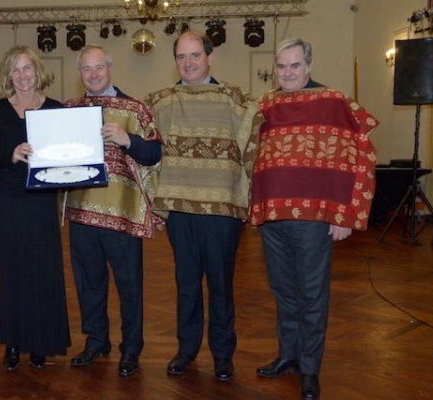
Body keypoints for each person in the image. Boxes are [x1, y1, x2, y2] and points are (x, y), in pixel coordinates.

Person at [250, 38, 378, 400]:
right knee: (284, 292)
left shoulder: (334, 101)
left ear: (308, 65)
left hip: (314, 217)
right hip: (273, 214)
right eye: (281, 67)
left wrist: (345, 214)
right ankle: (287, 356)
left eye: (294, 66)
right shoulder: (267, 105)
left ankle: (309, 368)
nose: (287, 73)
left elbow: (361, 154)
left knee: (311, 294)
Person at [144, 30, 262, 382]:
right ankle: (186, 349)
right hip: (180, 209)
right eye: (181, 57)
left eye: (195, 55)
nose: (189, 63)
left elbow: (258, 141)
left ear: (210, 58)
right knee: (186, 284)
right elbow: (144, 142)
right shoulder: (161, 102)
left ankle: (223, 355)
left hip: (222, 210)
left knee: (222, 285)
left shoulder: (236, 100)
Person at [64, 44, 162, 377]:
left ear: (110, 68)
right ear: (80, 73)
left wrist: (128, 139)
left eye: (99, 68)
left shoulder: (134, 109)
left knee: (129, 285)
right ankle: (96, 341)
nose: (93, 75)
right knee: (88, 283)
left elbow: (154, 153)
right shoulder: (69, 110)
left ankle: (131, 349)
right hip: (81, 213)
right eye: (86, 69)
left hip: (123, 214)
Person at [0, 45, 71, 371]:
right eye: (15, 70)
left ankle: (40, 343)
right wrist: (12, 153)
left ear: (37, 71)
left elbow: (67, 156)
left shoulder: (56, 109)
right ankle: (13, 342)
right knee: (13, 273)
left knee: (44, 272)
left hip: (41, 204)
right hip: (8, 204)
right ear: (9, 75)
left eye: (26, 69)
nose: (21, 76)